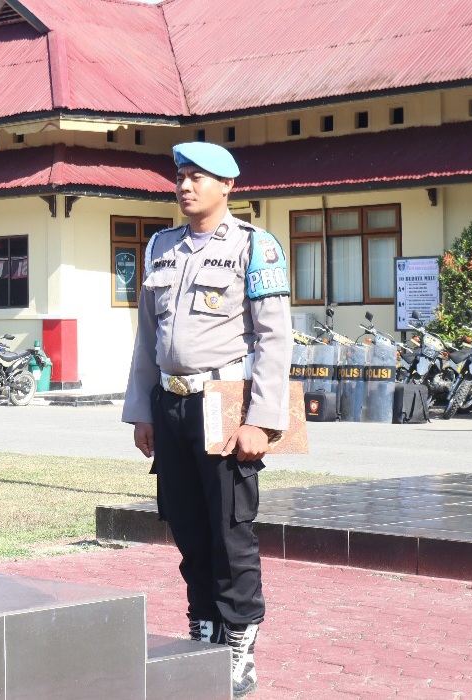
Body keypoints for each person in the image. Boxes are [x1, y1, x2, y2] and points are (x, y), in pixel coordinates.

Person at [121, 142, 291, 698]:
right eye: (181, 177)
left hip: (225, 400)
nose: (185, 186)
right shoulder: (161, 246)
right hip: (169, 403)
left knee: (230, 530)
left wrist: (262, 422)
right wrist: (141, 412)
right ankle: (204, 627)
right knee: (188, 526)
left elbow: (274, 339)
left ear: (228, 186)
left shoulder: (254, 247)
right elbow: (147, 339)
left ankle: (240, 641)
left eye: (198, 178)